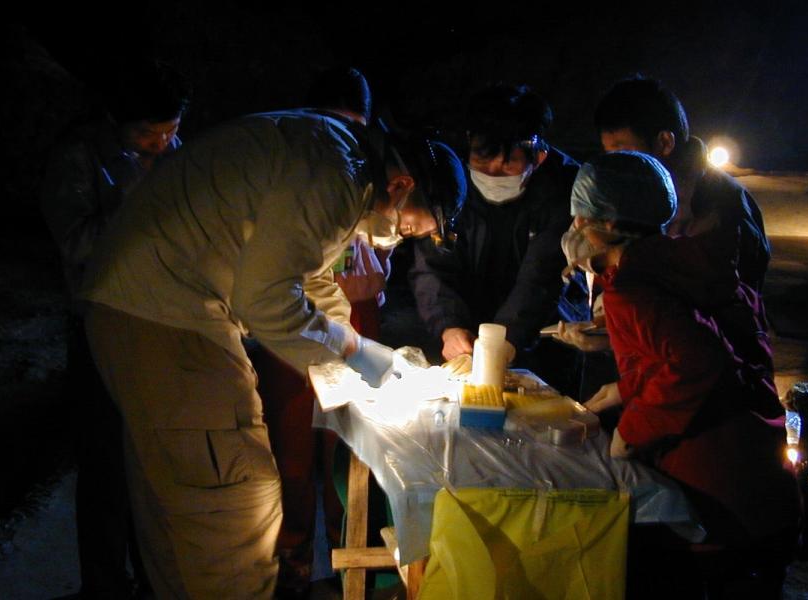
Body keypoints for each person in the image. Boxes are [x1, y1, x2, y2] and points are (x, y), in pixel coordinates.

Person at [79, 106, 465, 598]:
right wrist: (351, 352)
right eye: (409, 229)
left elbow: (307, 272)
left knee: (182, 499)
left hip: (141, 305)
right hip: (169, 317)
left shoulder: (335, 154)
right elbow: (266, 300)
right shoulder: (337, 177)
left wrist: (357, 349)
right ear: (402, 186)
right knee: (236, 497)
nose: (398, 238)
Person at [563, 151, 801, 596]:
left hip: (719, 496)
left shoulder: (631, 290)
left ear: (609, 224)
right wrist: (625, 387)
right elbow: (693, 353)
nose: (575, 228)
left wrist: (632, 429)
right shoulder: (695, 265)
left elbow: (699, 364)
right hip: (767, 486)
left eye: (581, 217)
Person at [39, 57, 189, 599]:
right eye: (148, 134)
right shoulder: (81, 158)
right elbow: (76, 242)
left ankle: (154, 578)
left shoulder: (177, 156)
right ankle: (104, 585)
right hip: (100, 326)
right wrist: (132, 203)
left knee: (153, 462)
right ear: (117, 122)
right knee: (104, 463)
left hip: (163, 327)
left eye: (170, 133)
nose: (160, 144)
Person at [243, 67, 392, 594]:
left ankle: (349, 565)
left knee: (348, 452)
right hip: (288, 330)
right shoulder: (299, 175)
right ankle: (293, 568)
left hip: (355, 319)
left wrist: (370, 289)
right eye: (332, 124)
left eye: (354, 127)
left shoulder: (367, 181)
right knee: (291, 456)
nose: (341, 139)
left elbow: (378, 257)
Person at [410, 83, 584, 393]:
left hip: (540, 336)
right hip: (463, 333)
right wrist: (449, 326)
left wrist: (505, 341)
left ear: (539, 156)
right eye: (481, 159)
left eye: (508, 163)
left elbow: (542, 275)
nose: (493, 171)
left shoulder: (566, 190)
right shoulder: (449, 179)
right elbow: (431, 263)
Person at [593, 76, 770, 293]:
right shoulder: (641, 197)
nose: (615, 166)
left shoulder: (720, 209)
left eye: (623, 152)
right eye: (609, 154)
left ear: (665, 143)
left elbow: (728, 303)